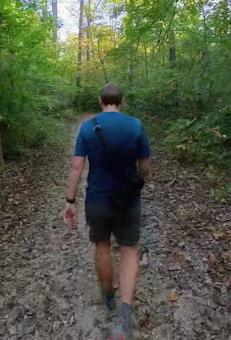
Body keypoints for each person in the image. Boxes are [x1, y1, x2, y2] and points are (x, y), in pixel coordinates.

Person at [63, 83, 152, 340]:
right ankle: (125, 312)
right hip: (128, 199)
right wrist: (142, 174)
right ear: (121, 100)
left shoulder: (87, 128)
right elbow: (145, 166)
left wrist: (70, 201)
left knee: (102, 245)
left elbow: (77, 167)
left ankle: (108, 296)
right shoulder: (136, 126)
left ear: (100, 100)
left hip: (98, 199)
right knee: (129, 249)